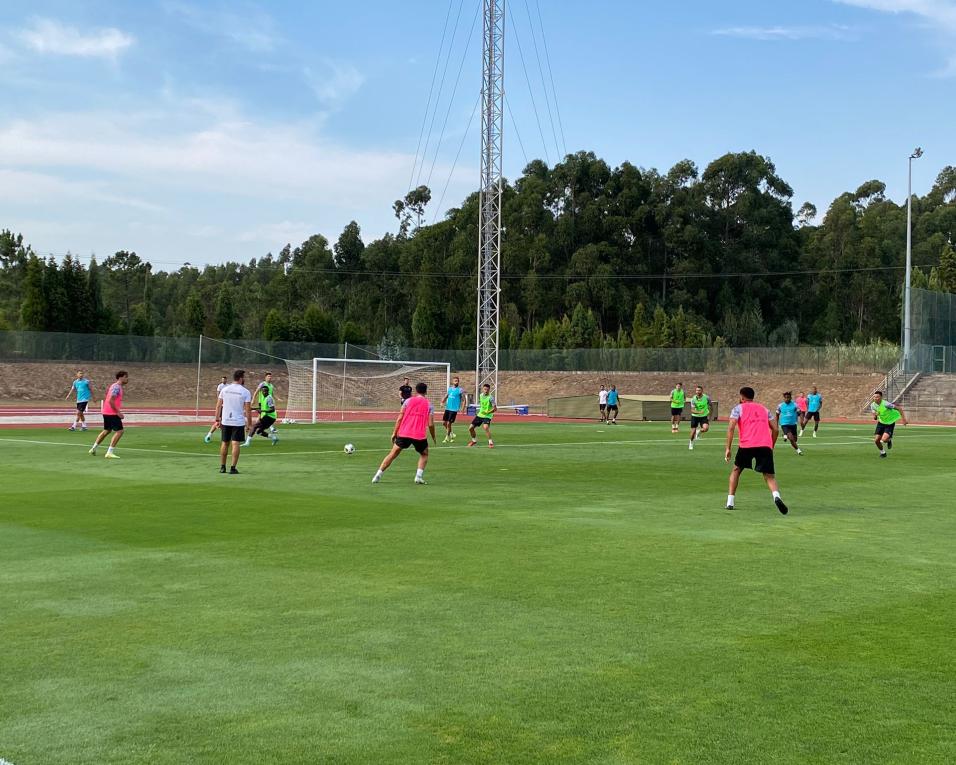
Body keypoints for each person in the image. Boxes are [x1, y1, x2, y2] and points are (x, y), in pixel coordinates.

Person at [724, 386, 788, 515]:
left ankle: (730, 502)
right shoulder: (764, 409)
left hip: (746, 445)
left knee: (736, 470)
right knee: (769, 476)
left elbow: (731, 428)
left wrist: (728, 448)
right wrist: (771, 445)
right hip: (764, 445)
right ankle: (777, 496)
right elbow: (775, 429)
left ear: (741, 397)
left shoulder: (738, 409)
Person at [373, 381, 437, 484]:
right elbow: (430, 424)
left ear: (416, 391)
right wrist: (433, 436)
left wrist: (394, 432)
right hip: (419, 435)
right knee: (424, 454)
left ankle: (378, 475)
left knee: (392, 454)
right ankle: (418, 477)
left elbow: (399, 418)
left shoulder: (407, 401)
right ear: (426, 392)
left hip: (404, 433)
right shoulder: (429, 405)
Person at [216, 369, 253, 474]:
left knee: (224, 443)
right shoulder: (245, 391)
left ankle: (222, 467)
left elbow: (218, 405)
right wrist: (249, 424)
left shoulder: (225, 390)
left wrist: (217, 419)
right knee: (235, 443)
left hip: (226, 420)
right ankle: (233, 468)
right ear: (241, 378)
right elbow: (248, 410)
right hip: (238, 421)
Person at [89, 370, 128, 459]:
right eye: (126, 377)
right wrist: (118, 412)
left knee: (107, 430)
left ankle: (93, 448)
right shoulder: (116, 387)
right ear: (120, 377)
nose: (127, 379)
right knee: (120, 431)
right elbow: (111, 400)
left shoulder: (114, 386)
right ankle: (109, 452)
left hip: (106, 411)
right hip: (112, 413)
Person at [870, 390, 908, 458]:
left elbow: (899, 408)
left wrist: (904, 419)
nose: (875, 398)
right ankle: (883, 453)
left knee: (884, 440)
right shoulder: (873, 405)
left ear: (881, 397)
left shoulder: (886, 404)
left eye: (877, 397)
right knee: (876, 441)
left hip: (889, 423)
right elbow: (875, 418)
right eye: (874, 397)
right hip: (881, 423)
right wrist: (876, 415)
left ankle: (889, 440)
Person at [245, 375, 279, 446]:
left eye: (265, 391)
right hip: (267, 416)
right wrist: (252, 409)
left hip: (270, 417)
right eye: (263, 391)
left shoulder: (269, 398)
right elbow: (261, 409)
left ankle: (247, 442)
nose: (264, 392)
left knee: (254, 426)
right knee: (259, 431)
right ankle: (273, 437)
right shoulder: (263, 398)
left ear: (267, 391)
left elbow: (272, 409)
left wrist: (262, 411)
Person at [468, 383, 497, 448]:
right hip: (480, 414)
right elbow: (482, 405)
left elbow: (495, 409)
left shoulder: (491, 398)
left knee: (485, 427)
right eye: (485, 389)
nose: (486, 391)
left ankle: (490, 442)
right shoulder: (481, 395)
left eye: (487, 389)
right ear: (483, 389)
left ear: (489, 390)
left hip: (487, 415)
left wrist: (488, 412)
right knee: (470, 428)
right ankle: (474, 441)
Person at [776, 391, 803, 456]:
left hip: (793, 424)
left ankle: (785, 435)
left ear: (790, 398)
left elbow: (800, 413)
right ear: (784, 398)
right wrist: (776, 424)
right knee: (791, 438)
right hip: (784, 424)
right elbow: (777, 414)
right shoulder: (780, 406)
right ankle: (798, 451)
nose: (787, 399)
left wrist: (801, 420)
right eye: (785, 398)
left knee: (795, 439)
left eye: (788, 397)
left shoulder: (795, 405)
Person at [440, 376, 466, 442]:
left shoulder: (460, 390)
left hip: (454, 409)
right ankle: (451, 433)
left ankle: (447, 437)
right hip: (448, 408)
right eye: (455, 380)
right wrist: (442, 402)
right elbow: (446, 396)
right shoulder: (450, 389)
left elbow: (464, 400)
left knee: (449, 423)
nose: (456, 382)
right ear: (452, 382)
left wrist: (462, 408)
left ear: (458, 382)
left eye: (457, 381)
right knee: (444, 423)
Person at [204, 376, 229, 443]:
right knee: (218, 423)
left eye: (225, 379)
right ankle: (208, 436)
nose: (224, 380)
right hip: (222, 407)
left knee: (225, 423)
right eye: (223, 379)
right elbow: (218, 395)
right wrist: (220, 402)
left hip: (227, 407)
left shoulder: (228, 386)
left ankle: (226, 437)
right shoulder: (220, 386)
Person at [688, 385, 711, 450]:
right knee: (692, 432)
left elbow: (711, 406)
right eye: (697, 390)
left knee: (706, 428)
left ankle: (699, 431)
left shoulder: (706, 398)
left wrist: (710, 415)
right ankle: (691, 443)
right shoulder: (693, 399)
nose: (698, 391)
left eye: (699, 390)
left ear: (702, 391)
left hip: (703, 416)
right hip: (695, 416)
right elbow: (692, 410)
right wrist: (699, 412)